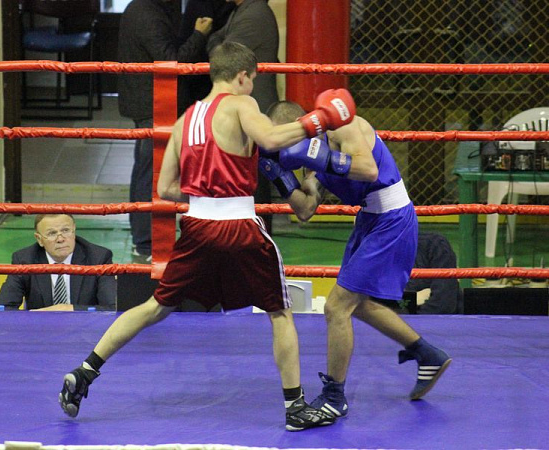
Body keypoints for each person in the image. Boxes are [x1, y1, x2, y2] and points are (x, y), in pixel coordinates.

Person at [58, 42, 356, 431]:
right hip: (238, 225)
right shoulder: (241, 103)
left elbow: (165, 188)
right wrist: (317, 121)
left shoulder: (186, 119)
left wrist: (206, 194)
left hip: (196, 225)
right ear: (242, 76)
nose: (252, 88)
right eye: (252, 80)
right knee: (280, 312)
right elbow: (269, 138)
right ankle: (295, 406)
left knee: (155, 307)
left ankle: (85, 371)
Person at [260, 100, 452, 418]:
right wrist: (282, 179)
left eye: (283, 139)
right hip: (369, 221)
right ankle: (427, 354)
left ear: (298, 128)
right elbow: (306, 209)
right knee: (358, 304)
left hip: (391, 217)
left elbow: (368, 169)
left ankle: (334, 396)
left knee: (336, 307)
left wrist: (320, 157)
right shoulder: (309, 160)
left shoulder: (343, 126)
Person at [118, 0, 214, 262]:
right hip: (153, 104)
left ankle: (146, 240)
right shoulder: (148, 13)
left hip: (151, 102)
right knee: (151, 170)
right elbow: (172, 60)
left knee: (148, 168)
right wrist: (199, 35)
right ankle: (146, 242)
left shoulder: (147, 8)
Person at [207, 0, 281, 234]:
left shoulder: (254, 13)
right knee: (244, 173)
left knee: (254, 176)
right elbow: (217, 42)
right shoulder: (241, 10)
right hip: (246, 105)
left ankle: (258, 237)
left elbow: (221, 58)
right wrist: (218, 41)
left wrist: (217, 43)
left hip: (253, 105)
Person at [0, 214, 116, 311]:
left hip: (87, 329)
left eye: (66, 230)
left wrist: (68, 309)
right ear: (39, 239)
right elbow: (1, 309)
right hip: (41, 329)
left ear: (74, 230)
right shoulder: (25, 260)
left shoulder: (98, 258)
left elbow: (113, 308)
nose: (60, 239)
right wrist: (37, 316)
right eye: (52, 233)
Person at [405, 232, 459, 314]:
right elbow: (385, 305)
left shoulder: (434, 244)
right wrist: (413, 299)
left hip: (433, 319)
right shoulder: (383, 252)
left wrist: (404, 301)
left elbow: (443, 303)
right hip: (393, 319)